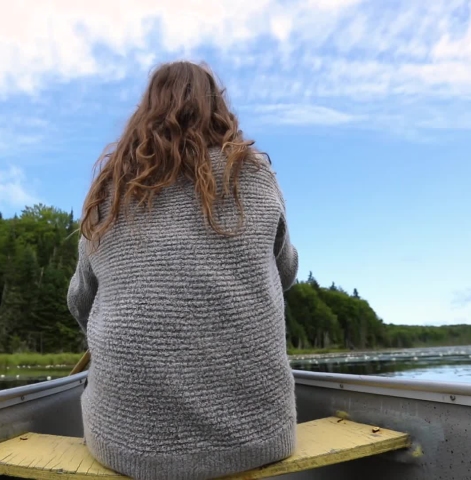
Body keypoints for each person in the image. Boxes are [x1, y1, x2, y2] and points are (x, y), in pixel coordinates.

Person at [67, 60, 299, 480]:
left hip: (125, 444)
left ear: (145, 110)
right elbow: (285, 274)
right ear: (218, 108)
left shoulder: (109, 193)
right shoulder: (254, 174)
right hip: (259, 437)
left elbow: (80, 301)